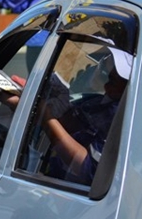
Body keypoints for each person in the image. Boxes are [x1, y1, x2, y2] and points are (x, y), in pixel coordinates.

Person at [39, 48, 132, 184]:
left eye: (113, 81)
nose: (106, 86)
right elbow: (76, 125)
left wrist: (46, 118)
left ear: (128, 88)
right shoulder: (98, 102)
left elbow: (89, 169)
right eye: (106, 76)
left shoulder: (120, 117)